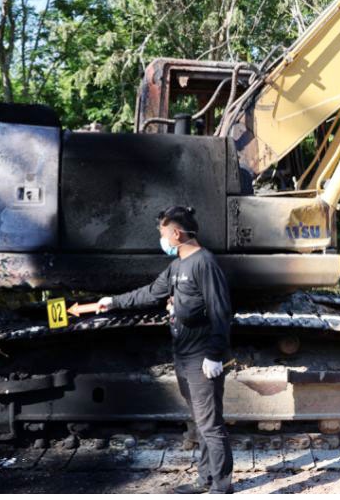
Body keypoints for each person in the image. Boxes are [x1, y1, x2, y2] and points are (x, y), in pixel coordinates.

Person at [95, 205, 234, 494]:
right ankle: (205, 480)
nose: (161, 239)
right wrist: (113, 301)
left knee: (210, 424)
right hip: (183, 355)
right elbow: (150, 292)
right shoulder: (177, 266)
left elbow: (221, 311)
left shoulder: (204, 263)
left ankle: (222, 486)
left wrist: (215, 354)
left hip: (200, 357)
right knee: (200, 422)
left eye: (162, 233)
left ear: (176, 233)